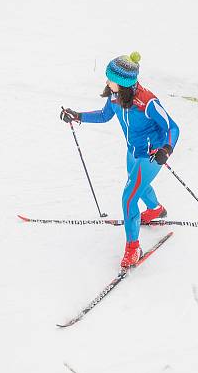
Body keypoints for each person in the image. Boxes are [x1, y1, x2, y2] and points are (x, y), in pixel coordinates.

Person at [60, 52, 180, 269]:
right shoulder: (115, 96)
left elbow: (172, 127)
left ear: (123, 82)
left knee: (128, 197)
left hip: (151, 155)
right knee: (138, 186)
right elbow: (105, 115)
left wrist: (166, 149)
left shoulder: (147, 101)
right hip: (132, 152)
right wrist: (78, 115)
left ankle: (133, 248)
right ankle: (155, 209)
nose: (106, 82)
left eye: (110, 79)